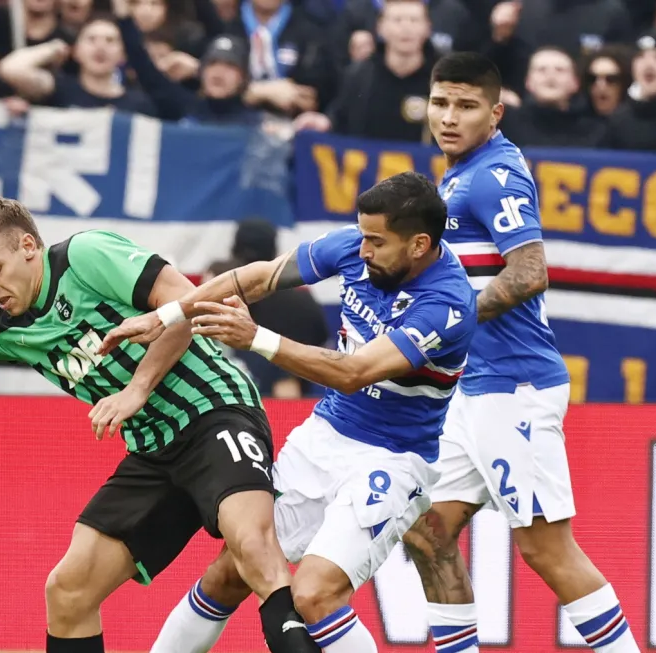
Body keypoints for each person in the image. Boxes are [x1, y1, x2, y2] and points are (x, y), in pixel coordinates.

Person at [0, 197, 321, 653]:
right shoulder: (16, 328)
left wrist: (137, 389)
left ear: (29, 246)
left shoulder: (86, 255)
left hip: (214, 410)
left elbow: (183, 303)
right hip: (153, 449)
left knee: (251, 545)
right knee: (69, 588)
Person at [100, 172, 478, 653]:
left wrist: (255, 337)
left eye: (377, 242)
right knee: (231, 572)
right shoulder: (356, 248)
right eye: (363, 236)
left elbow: (355, 372)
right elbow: (256, 277)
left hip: (392, 461)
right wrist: (167, 315)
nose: (362, 251)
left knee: (315, 594)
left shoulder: (447, 304)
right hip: (325, 435)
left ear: (420, 244)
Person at [406, 52, 640, 652]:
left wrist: (447, 320)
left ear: (496, 112)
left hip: (512, 387)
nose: (449, 117)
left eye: (466, 106)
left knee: (544, 548)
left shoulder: (495, 175)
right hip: (471, 389)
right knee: (427, 534)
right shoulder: (457, 175)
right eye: (440, 103)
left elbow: (530, 272)